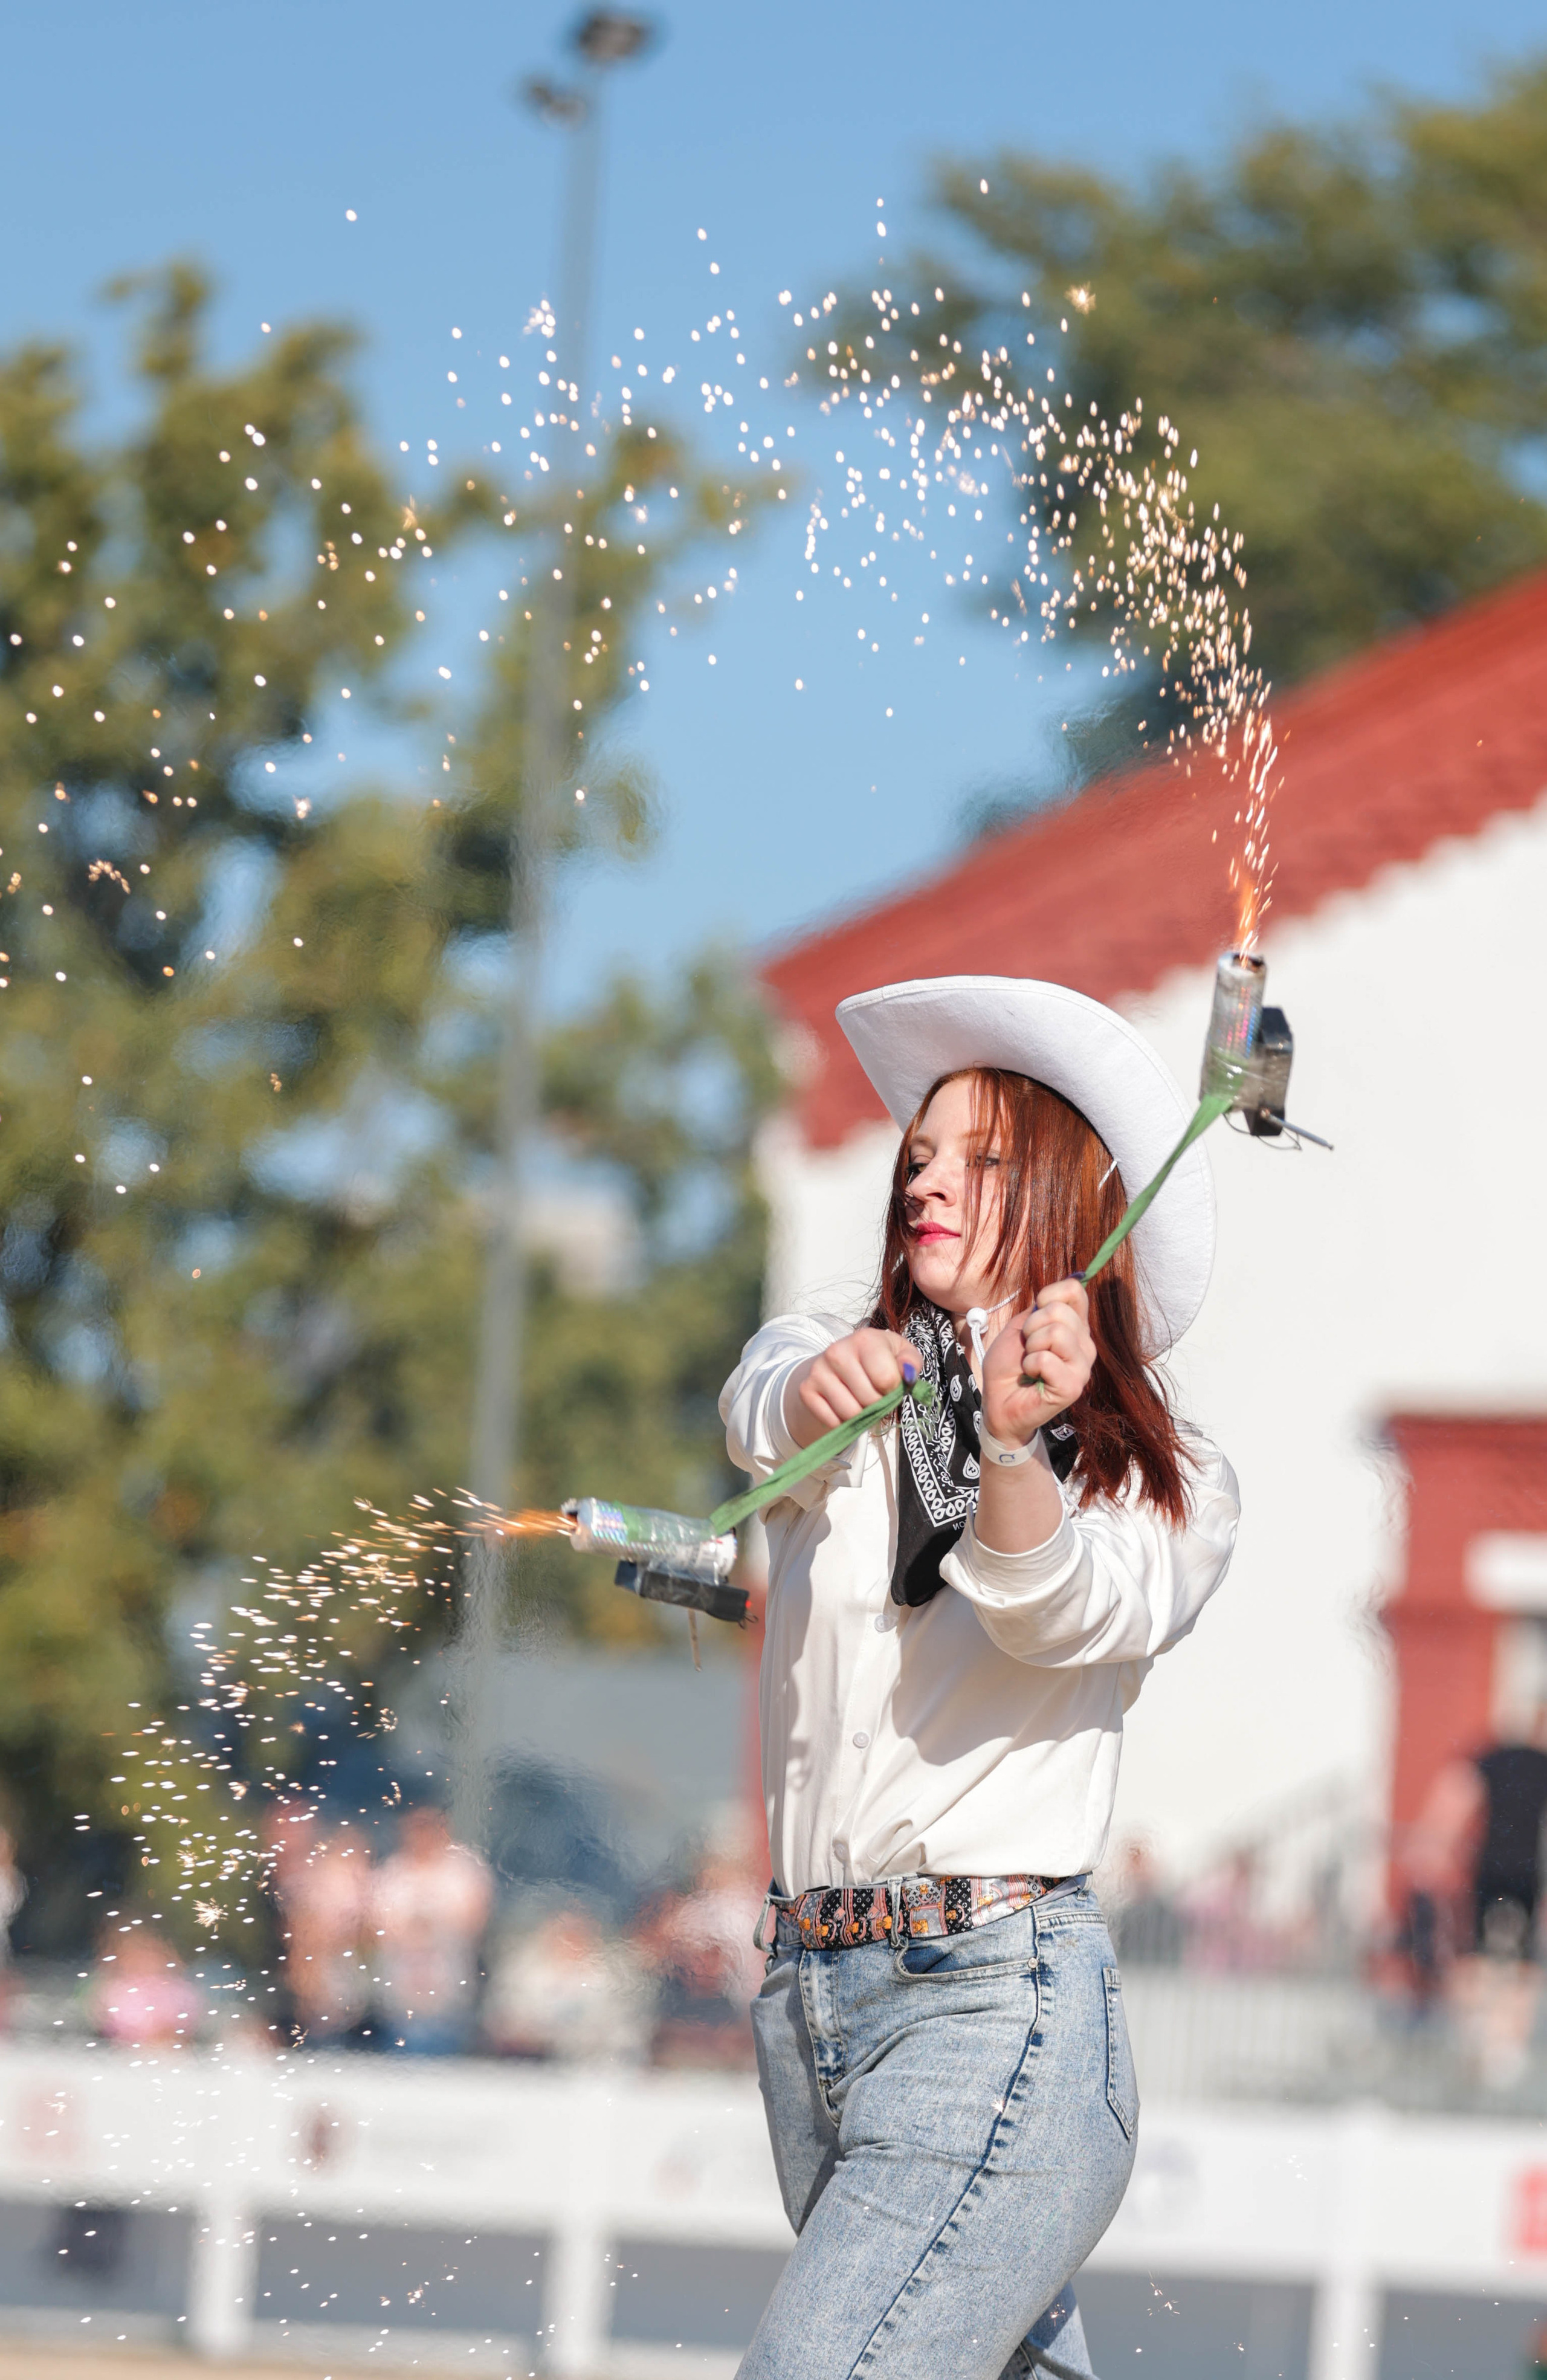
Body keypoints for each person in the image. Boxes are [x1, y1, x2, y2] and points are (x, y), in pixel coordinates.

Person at [720, 974, 1240, 2380]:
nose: (923, 1180)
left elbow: (1048, 1610)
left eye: (983, 1157)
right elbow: (757, 1405)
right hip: (810, 1999)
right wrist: (808, 1391)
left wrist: (1011, 1449)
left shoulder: (1166, 1487)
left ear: (1077, 1203)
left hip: (989, 2009)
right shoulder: (830, 1371)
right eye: (918, 1155)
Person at [370, 1803, 493, 2055]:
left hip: (449, 1990)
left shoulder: (463, 1873)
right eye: (416, 1828)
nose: (422, 1835)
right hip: (400, 1993)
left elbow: (475, 1922)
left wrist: (428, 1927)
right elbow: (377, 1929)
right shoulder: (391, 1873)